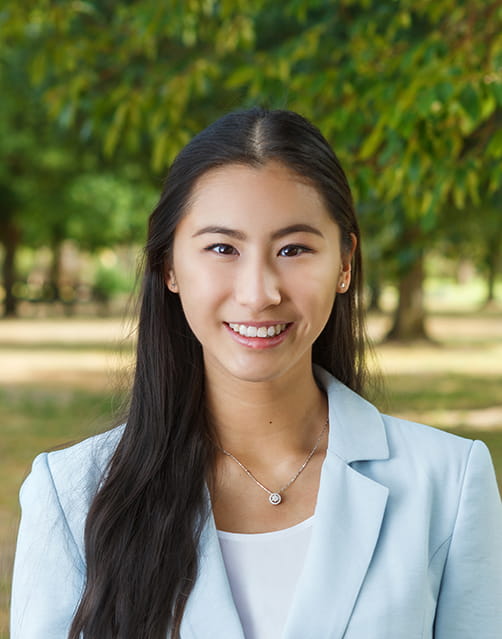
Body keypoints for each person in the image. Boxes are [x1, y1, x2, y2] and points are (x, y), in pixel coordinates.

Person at [10, 107, 502, 639]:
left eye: (293, 249)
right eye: (222, 248)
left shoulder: (448, 484)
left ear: (344, 264)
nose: (259, 293)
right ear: (169, 266)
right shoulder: (72, 496)